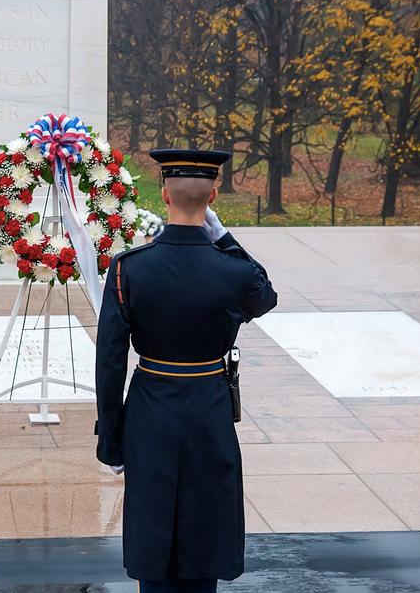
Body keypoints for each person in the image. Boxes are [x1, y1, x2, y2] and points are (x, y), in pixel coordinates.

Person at [94, 148, 278, 592]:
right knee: (205, 525)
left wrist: (112, 438)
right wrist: (227, 240)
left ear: (163, 195)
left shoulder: (130, 268)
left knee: (153, 528)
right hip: (208, 408)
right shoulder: (232, 270)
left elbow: (111, 359)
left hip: (150, 408)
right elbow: (265, 297)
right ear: (213, 197)